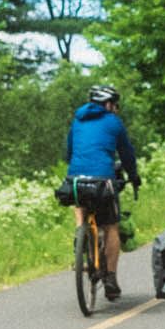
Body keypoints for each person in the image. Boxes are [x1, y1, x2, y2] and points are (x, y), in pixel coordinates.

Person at [65, 84, 140, 299]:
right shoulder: (113, 122)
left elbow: (68, 153)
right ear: (107, 104)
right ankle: (111, 278)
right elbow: (126, 154)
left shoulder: (77, 120)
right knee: (111, 227)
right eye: (115, 105)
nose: (116, 109)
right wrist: (133, 176)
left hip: (76, 179)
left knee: (80, 202)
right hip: (103, 180)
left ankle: (80, 234)